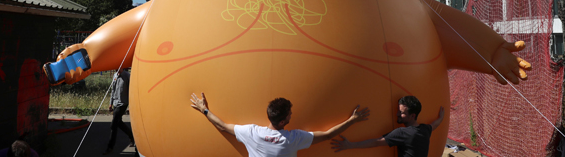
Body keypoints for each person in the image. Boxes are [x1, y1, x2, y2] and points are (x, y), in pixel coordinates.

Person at [190, 93, 369, 157]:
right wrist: (352, 120)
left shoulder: (252, 132)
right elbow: (328, 135)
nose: (292, 114)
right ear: (283, 121)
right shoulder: (292, 139)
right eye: (290, 113)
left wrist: (204, 110)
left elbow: (222, 126)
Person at [330, 96, 444, 157]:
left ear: (412, 115)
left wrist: (350, 145)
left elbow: (376, 142)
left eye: (402, 113)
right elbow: (434, 125)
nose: (397, 114)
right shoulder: (425, 129)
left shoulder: (403, 133)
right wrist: (441, 118)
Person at [104, 68, 135, 155]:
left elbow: (130, 91)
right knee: (118, 123)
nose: (116, 69)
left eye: (118, 67)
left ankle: (110, 147)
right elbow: (113, 90)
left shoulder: (127, 76)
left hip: (123, 104)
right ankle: (132, 136)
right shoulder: (115, 75)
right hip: (115, 103)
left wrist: (130, 105)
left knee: (113, 125)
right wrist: (110, 103)